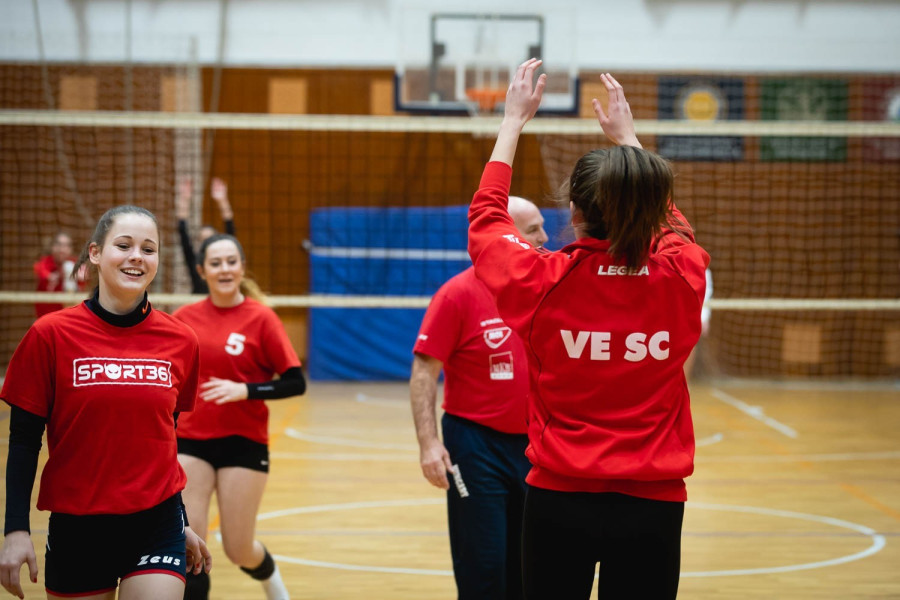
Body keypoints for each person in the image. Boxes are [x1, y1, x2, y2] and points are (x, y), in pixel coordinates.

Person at [467, 60, 709, 599]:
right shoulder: (681, 273)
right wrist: (628, 140)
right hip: (655, 502)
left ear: (573, 211)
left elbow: (487, 220)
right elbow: (674, 227)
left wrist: (512, 123)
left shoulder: (542, 278)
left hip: (560, 497)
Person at [1, 205, 212, 600]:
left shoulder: (181, 340)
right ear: (95, 253)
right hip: (79, 526)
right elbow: (24, 441)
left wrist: (180, 518)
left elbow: (166, 437)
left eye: (149, 249)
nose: (137, 256)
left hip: (157, 523)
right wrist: (15, 530)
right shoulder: (50, 335)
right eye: (124, 245)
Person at [410, 196, 547, 600]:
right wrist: (428, 443)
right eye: (533, 229)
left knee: (531, 563)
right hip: (475, 445)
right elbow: (423, 372)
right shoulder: (457, 295)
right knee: (484, 563)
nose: (544, 238)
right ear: (506, 236)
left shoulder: (547, 284)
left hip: (538, 445)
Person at [172, 233, 305, 600]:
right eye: (215, 263)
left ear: (242, 267)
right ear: (202, 271)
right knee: (189, 547)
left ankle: (272, 582)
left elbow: (296, 383)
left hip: (243, 443)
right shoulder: (184, 318)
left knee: (238, 548)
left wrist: (245, 389)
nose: (225, 269)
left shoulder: (261, 318)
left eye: (231, 262)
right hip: (191, 441)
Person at [176, 177, 235, 294]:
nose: (206, 243)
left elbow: (230, 230)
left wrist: (222, 201)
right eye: (202, 240)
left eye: (209, 239)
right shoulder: (195, 262)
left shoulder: (224, 263)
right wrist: (184, 200)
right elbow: (182, 231)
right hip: (198, 304)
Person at [33, 232, 84, 318]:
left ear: (70, 249)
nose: (62, 249)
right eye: (59, 245)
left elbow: (84, 279)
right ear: (53, 247)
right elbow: (41, 272)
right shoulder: (44, 263)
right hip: (47, 314)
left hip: (68, 315)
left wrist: (83, 276)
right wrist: (56, 275)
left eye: (66, 246)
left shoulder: (75, 264)